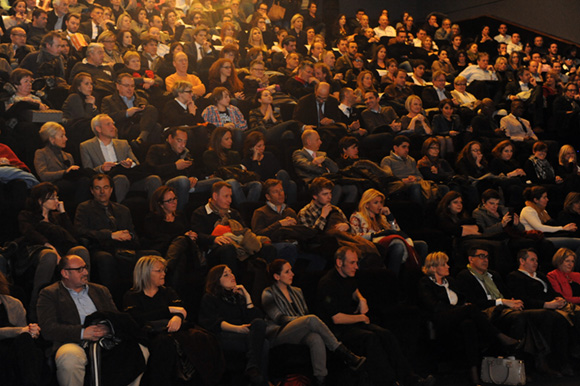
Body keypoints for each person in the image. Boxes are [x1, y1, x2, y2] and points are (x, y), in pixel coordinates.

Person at [316, 246, 435, 386]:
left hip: (352, 322)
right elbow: (336, 318)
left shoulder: (348, 276)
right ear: (339, 263)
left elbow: (354, 290)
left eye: (356, 262)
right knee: (370, 338)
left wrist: (361, 299)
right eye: (352, 263)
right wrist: (361, 317)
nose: (356, 267)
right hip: (337, 330)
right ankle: (389, 382)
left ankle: (411, 378)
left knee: (386, 334)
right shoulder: (328, 283)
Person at [37, 254, 148, 386]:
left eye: (85, 268)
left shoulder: (101, 290)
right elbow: (48, 328)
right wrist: (83, 333)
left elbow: (117, 318)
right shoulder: (49, 294)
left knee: (140, 350)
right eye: (80, 269)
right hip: (72, 341)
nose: (85, 272)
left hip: (106, 339)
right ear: (65, 273)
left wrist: (108, 328)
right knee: (69, 358)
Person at [418, 252, 519, 384]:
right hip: (439, 319)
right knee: (470, 309)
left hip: (458, 317)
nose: (448, 266)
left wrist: (462, 308)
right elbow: (434, 306)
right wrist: (459, 309)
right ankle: (499, 336)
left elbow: (462, 299)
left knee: (468, 324)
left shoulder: (451, 282)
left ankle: (473, 372)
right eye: (444, 264)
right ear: (433, 267)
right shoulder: (425, 283)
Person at [262, 259, 365, 385]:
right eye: (287, 272)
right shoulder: (268, 293)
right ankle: (344, 352)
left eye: (291, 270)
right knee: (311, 319)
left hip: (298, 330)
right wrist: (302, 321)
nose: (292, 274)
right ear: (277, 276)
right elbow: (280, 318)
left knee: (315, 338)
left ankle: (320, 380)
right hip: (278, 333)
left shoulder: (297, 291)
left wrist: (303, 320)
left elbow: (304, 313)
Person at [123, 255, 222, 385]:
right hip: (149, 334)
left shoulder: (168, 292)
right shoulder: (132, 296)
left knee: (203, 338)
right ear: (145, 273)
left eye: (164, 270)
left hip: (174, 331)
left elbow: (181, 310)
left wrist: (178, 317)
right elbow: (137, 318)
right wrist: (169, 310)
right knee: (164, 343)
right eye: (158, 271)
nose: (163, 274)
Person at [17, 182, 90, 319]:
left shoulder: (56, 217)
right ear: (40, 200)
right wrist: (49, 245)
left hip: (60, 250)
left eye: (57, 197)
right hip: (36, 250)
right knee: (49, 255)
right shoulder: (26, 215)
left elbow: (73, 236)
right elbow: (30, 233)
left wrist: (63, 213)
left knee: (80, 250)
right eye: (53, 198)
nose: (57, 201)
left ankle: (85, 294)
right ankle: (36, 304)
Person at [506, 248, 577, 376]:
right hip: (535, 309)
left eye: (537, 260)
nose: (536, 263)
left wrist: (558, 298)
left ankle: (572, 358)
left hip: (551, 307)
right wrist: (546, 304)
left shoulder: (540, 275)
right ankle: (557, 362)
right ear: (522, 261)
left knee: (573, 316)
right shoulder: (515, 276)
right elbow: (522, 298)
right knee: (556, 318)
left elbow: (551, 292)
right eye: (532, 260)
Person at [198, 264, 270, 385]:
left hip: (244, 333)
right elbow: (213, 322)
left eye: (231, 272)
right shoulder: (210, 298)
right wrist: (238, 329)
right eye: (226, 274)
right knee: (264, 344)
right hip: (223, 334)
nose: (232, 276)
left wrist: (247, 297)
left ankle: (252, 368)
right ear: (217, 280)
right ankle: (260, 379)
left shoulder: (237, 297)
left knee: (259, 323)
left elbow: (256, 320)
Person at [80, 114, 161, 203]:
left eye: (113, 124)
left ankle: (157, 212)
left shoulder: (123, 144)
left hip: (130, 177)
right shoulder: (86, 146)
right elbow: (87, 170)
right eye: (108, 124)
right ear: (98, 129)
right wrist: (102, 168)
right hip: (108, 180)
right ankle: (117, 212)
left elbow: (136, 163)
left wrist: (130, 164)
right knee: (121, 179)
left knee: (154, 179)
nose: (113, 127)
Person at [350, 188, 427, 275]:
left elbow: (397, 232)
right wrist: (376, 235)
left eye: (381, 202)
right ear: (367, 204)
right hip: (373, 245)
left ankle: (419, 276)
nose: (380, 206)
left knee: (421, 245)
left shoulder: (382, 218)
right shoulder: (357, 217)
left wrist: (390, 216)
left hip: (389, 242)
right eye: (376, 203)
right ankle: (392, 277)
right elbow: (354, 236)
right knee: (398, 246)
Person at [34, 122, 92, 209]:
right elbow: (43, 175)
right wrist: (64, 172)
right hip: (54, 184)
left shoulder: (68, 155)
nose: (66, 139)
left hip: (69, 183)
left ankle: (80, 209)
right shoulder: (41, 153)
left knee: (85, 180)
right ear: (51, 139)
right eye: (62, 136)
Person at [0, 271, 44, 386]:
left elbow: (24, 330)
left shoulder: (13, 303)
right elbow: (21, 330)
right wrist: (20, 331)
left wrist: (32, 331)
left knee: (26, 341)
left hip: (15, 348)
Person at [292, 130, 357, 205]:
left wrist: (324, 159)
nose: (320, 142)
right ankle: (328, 213)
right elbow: (308, 167)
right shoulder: (298, 154)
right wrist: (315, 163)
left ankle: (342, 213)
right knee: (337, 188)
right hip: (312, 183)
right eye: (317, 140)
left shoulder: (322, 154)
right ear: (309, 141)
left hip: (328, 181)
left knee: (352, 188)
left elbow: (336, 169)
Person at [202, 127, 261, 206]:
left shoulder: (234, 154)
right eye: (227, 139)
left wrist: (238, 168)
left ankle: (248, 209)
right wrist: (239, 166)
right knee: (232, 182)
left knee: (257, 184)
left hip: (239, 181)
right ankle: (244, 210)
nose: (231, 141)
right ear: (219, 140)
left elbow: (238, 172)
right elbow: (217, 170)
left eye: (231, 138)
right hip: (223, 182)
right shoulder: (209, 154)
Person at [101, 73, 163, 147]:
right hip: (124, 128)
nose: (130, 89)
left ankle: (141, 139)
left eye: (132, 86)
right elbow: (105, 118)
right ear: (118, 86)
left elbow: (149, 117)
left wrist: (142, 110)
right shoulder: (108, 100)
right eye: (126, 86)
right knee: (156, 127)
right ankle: (143, 141)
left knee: (151, 109)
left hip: (140, 125)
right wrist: (126, 113)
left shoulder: (141, 99)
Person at [520, 186, 580, 256]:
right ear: (536, 200)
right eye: (544, 197)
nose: (547, 199)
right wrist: (563, 228)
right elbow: (540, 228)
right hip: (537, 240)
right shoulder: (528, 210)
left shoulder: (543, 211)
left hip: (546, 237)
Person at [241, 132, 297, 205]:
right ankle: (281, 203)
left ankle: (283, 205)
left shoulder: (269, 156)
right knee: (291, 185)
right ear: (251, 148)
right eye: (259, 146)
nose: (262, 148)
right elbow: (256, 178)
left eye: (263, 145)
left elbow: (278, 171)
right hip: (263, 185)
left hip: (275, 182)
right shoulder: (246, 161)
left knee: (286, 177)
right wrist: (255, 161)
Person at [380, 135, 427, 205]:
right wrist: (402, 180)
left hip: (414, 183)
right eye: (404, 147)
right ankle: (420, 213)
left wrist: (415, 178)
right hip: (399, 185)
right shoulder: (387, 160)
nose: (407, 150)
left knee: (442, 188)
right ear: (395, 148)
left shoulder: (411, 160)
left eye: (408, 147)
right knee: (416, 186)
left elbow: (420, 176)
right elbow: (387, 177)